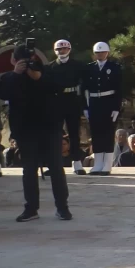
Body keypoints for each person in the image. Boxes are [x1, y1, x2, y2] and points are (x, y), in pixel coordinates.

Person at [0, 43, 71, 221]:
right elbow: (3, 94)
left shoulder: (47, 72)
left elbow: (58, 87)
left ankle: (62, 208)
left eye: (29, 60)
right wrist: (17, 74)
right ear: (13, 61)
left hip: (49, 127)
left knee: (55, 168)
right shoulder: (10, 77)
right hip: (26, 130)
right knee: (29, 169)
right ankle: (31, 209)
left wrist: (38, 77)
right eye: (20, 61)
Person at [49, 40, 88, 176]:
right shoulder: (51, 67)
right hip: (57, 102)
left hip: (72, 100)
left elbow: (84, 86)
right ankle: (54, 164)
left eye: (65, 49)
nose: (62, 52)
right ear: (55, 51)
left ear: (69, 50)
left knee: (74, 134)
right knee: (55, 135)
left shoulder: (78, 66)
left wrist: (84, 105)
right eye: (59, 49)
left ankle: (77, 163)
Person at [84, 42, 122, 176]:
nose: (100, 54)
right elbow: (84, 89)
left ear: (107, 53)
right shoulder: (89, 68)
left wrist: (116, 108)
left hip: (108, 103)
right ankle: (98, 164)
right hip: (94, 103)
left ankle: (107, 165)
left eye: (102, 52)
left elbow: (119, 89)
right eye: (97, 53)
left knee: (108, 133)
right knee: (96, 134)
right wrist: (85, 107)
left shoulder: (115, 67)